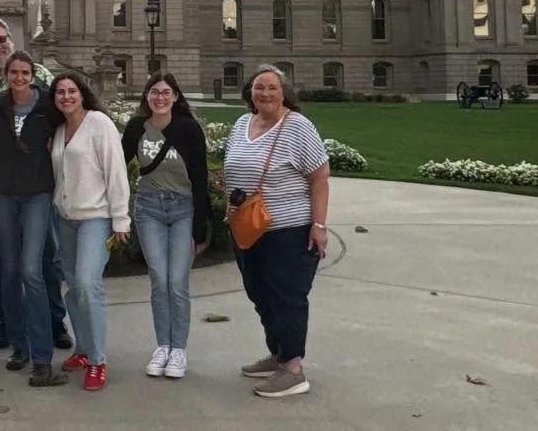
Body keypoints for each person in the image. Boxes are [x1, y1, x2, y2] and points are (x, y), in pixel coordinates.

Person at [224, 64, 331, 399]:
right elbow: (232, 167)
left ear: (284, 93)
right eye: (259, 87)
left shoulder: (297, 126)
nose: (265, 94)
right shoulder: (242, 123)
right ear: (250, 93)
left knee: (287, 296)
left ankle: (294, 369)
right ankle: (279, 353)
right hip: (247, 228)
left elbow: (320, 179)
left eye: (272, 88)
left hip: (288, 228)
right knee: (260, 294)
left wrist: (319, 225)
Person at [0, 18, 71, 354]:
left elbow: (65, 115)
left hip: (38, 186)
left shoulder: (43, 76)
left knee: (46, 259)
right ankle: (7, 325)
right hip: (0, 185)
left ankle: (55, 323)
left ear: (12, 41)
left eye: (2, 40)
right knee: (6, 262)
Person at [120, 73, 211, 380]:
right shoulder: (137, 128)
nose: (160, 97)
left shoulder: (187, 129)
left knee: (177, 282)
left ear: (175, 96)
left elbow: (200, 176)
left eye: (166, 92)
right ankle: (163, 346)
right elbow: (118, 165)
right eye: (154, 92)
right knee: (159, 280)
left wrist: (201, 225)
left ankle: (179, 349)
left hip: (183, 208)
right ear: (146, 97)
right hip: (149, 209)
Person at [0, 50, 68, 387]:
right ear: (5, 75)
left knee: (31, 271)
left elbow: (75, 127)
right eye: (14, 73)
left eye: (25, 73)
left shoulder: (48, 107)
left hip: (37, 193)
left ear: (33, 76)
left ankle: (41, 356)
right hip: (4, 193)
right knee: (7, 271)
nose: (19, 78)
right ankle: (19, 345)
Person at [50, 72, 130, 392]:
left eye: (71, 91)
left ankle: (98, 359)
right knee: (72, 286)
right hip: (65, 218)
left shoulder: (99, 123)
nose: (66, 96)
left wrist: (121, 219)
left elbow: (116, 170)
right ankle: (82, 349)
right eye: (60, 92)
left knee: (87, 283)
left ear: (82, 94)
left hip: (96, 217)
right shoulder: (57, 130)